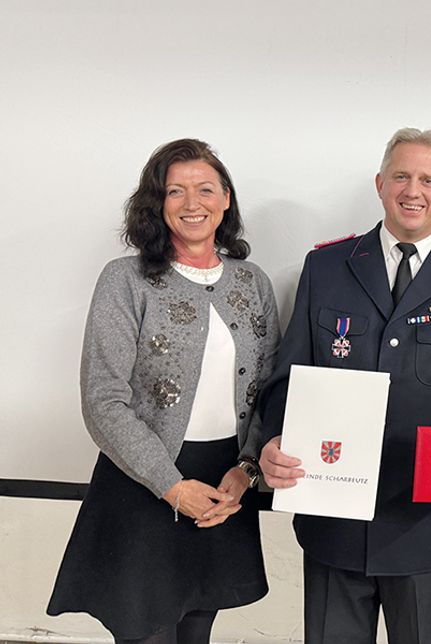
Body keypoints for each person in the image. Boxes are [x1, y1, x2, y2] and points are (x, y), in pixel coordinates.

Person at [257, 127, 431, 644]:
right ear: (380, 184)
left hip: (428, 526)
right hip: (334, 522)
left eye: (427, 179)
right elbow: (288, 377)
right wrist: (271, 442)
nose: (412, 190)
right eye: (401, 176)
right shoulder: (327, 266)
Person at [47, 139, 280, 643]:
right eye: (175, 191)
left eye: (204, 189)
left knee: (198, 630)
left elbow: (270, 390)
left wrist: (246, 470)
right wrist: (172, 487)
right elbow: (103, 400)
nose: (191, 203)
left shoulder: (253, 282)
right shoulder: (125, 281)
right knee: (146, 633)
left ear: (225, 199)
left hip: (224, 486)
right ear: (157, 204)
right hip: (144, 486)